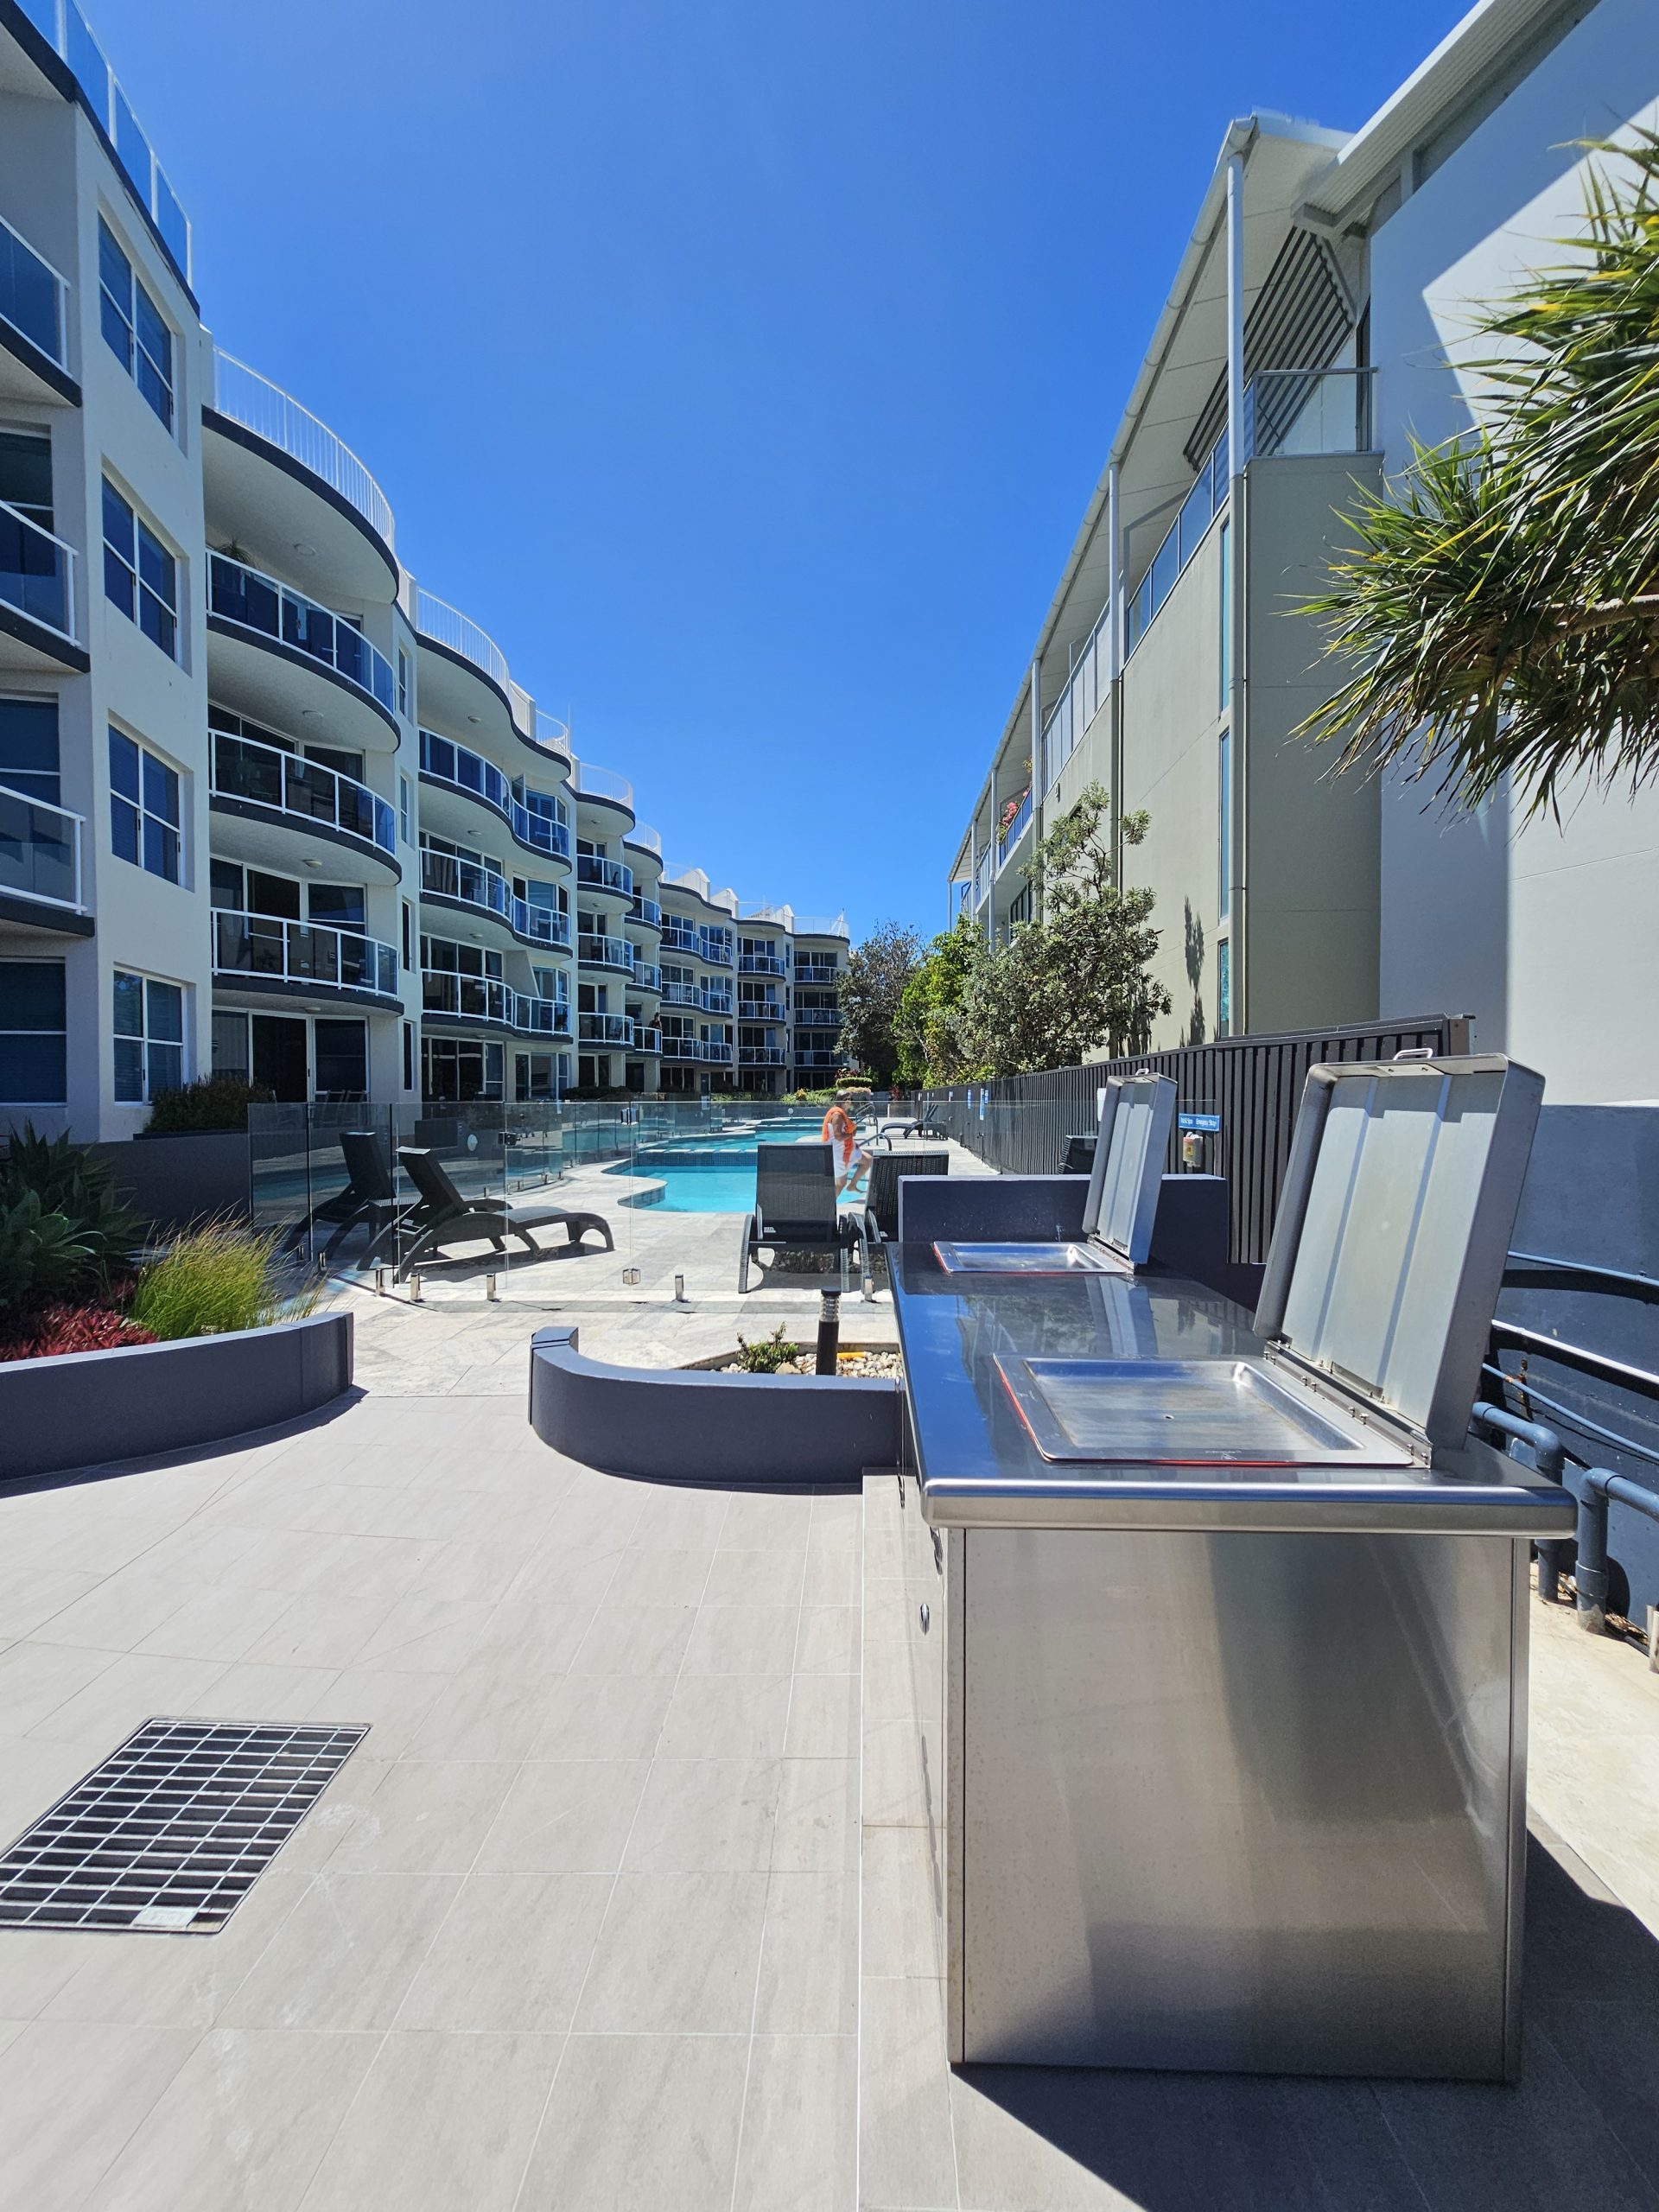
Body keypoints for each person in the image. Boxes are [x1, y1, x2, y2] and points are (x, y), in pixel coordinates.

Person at [823, 1091, 868, 1198]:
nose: (851, 1102)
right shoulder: (837, 1115)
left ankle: (852, 1185)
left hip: (846, 1149)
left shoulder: (839, 1113)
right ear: (845, 1101)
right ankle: (829, 1206)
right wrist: (851, 1134)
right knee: (841, 1183)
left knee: (868, 1160)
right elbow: (838, 1135)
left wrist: (852, 1140)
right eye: (850, 1099)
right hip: (839, 1152)